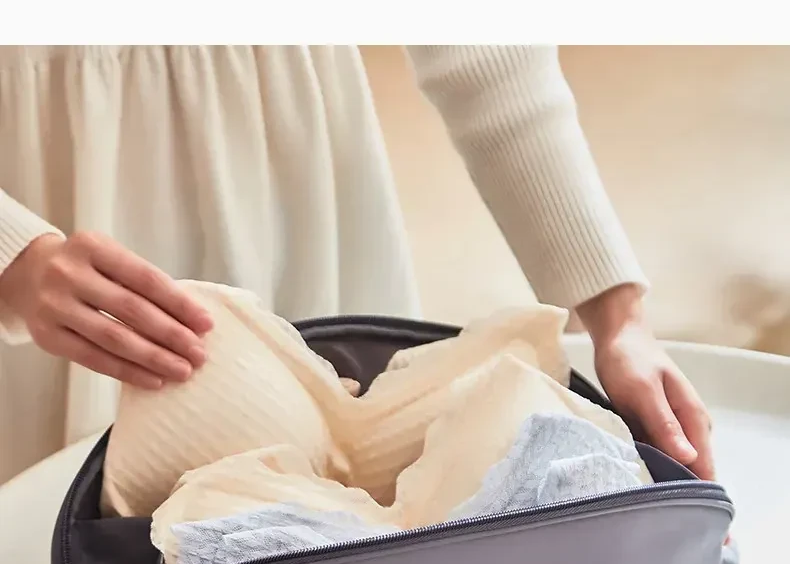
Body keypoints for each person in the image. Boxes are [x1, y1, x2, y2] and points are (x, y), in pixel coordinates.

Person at [0, 45, 713, 484]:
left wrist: (617, 315)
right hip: (57, 227)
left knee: (369, 552)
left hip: (304, 170)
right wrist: (16, 255)